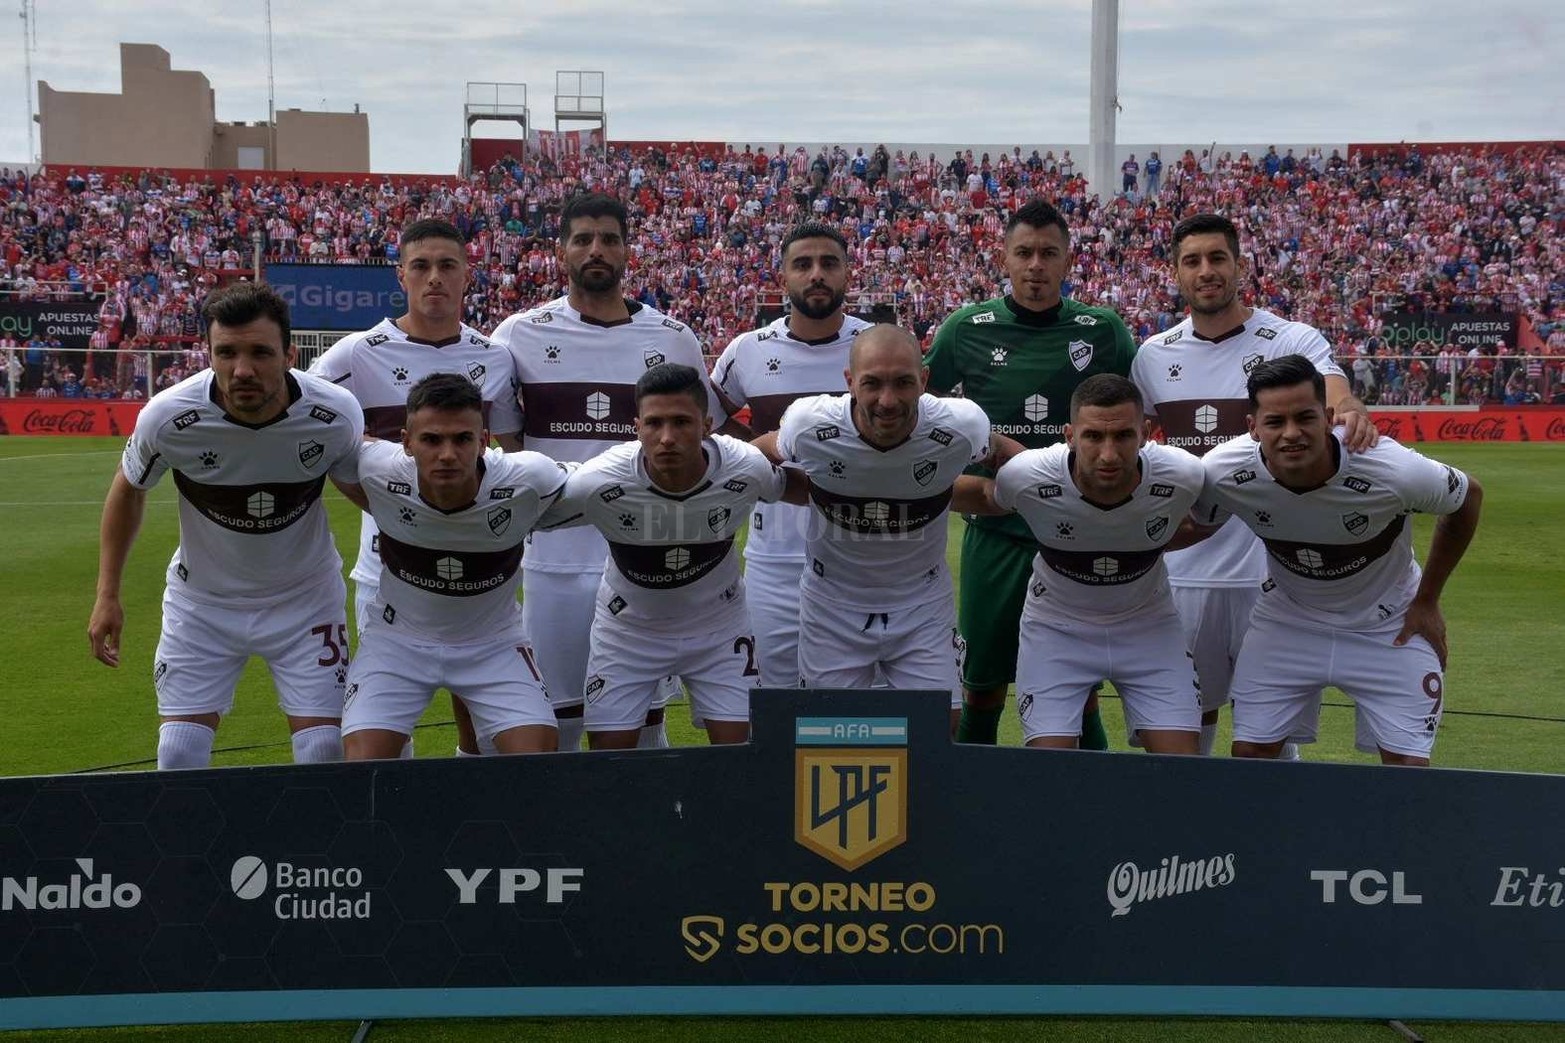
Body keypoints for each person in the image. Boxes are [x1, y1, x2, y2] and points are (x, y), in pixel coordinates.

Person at [87, 282, 364, 769]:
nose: (243, 370)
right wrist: (107, 593)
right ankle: (191, 850)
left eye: (260, 352)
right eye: (227, 352)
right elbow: (128, 489)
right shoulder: (169, 417)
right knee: (177, 754)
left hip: (306, 602)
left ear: (289, 354)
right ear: (208, 353)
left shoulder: (334, 414)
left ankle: (316, 848)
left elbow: (366, 490)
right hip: (203, 606)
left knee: (324, 750)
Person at [1130, 213, 1376, 757]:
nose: (1207, 270)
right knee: (1188, 719)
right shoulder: (1152, 355)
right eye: (1192, 261)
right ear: (1175, 273)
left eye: (1218, 258)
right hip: (1186, 573)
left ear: (1240, 265)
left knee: (1269, 727)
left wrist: (1350, 405)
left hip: (1274, 575)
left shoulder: (1290, 338)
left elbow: (1332, 389)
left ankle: (1267, 839)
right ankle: (1192, 836)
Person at [490, 193, 728, 752]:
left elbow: (702, 436)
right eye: (583, 239)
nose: (596, 249)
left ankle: (642, 839)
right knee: (558, 722)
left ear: (627, 250)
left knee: (642, 723)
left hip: (644, 557)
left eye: (609, 238)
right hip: (554, 562)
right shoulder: (520, 334)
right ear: (561, 251)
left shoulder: (673, 338)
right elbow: (510, 442)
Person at [1191, 355, 1482, 765]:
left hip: (1389, 625)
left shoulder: (1393, 469)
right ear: (1252, 427)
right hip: (1287, 622)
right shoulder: (1221, 470)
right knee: (1251, 756)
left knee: (1409, 769)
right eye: (1275, 422)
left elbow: (1468, 498)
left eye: (1304, 418)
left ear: (1328, 417)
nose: (1292, 434)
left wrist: (1428, 599)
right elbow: (1192, 526)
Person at [924, 199, 1137, 747]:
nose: (1036, 265)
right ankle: (970, 802)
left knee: (1078, 685)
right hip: (996, 532)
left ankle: (1089, 813)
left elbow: (1142, 420)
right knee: (982, 686)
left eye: (1048, 253)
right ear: (1005, 257)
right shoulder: (965, 329)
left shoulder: (1105, 331)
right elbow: (920, 413)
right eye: (1025, 252)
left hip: (1077, 535)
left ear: (1068, 260)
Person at [309, 218, 523, 757]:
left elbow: (512, 458)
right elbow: (314, 438)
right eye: (422, 266)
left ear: (466, 276)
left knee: (478, 712)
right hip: (385, 566)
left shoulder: (494, 359)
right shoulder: (355, 354)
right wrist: (378, 506)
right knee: (386, 721)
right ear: (401, 275)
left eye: (447, 266)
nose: (435, 278)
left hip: (479, 564)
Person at [755, 325, 1019, 733]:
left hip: (922, 604)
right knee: (828, 734)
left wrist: (1055, 494)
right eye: (872, 383)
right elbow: (756, 457)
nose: (888, 400)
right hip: (832, 606)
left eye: (903, 383)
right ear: (849, 383)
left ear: (925, 381)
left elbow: (1008, 460)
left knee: (938, 730)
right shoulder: (809, 423)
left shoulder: (961, 423)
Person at [540, 363, 804, 749]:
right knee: (608, 758)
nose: (667, 437)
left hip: (719, 626)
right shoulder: (597, 482)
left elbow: (793, 488)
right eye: (654, 423)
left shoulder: (744, 468)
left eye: (681, 422)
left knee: (742, 753)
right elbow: (524, 516)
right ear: (637, 427)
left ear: (707, 425)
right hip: (628, 630)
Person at [334, 374, 565, 760]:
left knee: (537, 765)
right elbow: (331, 448)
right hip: (397, 642)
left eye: (462, 439)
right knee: (363, 768)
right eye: (431, 439)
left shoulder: (530, 478)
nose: (446, 454)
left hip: (494, 643)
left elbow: (594, 488)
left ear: (484, 440)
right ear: (406, 441)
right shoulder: (377, 469)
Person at [968, 374, 1203, 753]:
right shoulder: (1027, 475)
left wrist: (1146, 540)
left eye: (1123, 436)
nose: (1108, 455)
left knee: (1180, 765)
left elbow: (1206, 520)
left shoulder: (1184, 474)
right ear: (1069, 435)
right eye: (1093, 436)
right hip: (1056, 628)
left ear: (1146, 432)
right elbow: (985, 498)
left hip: (1148, 625)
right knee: (1051, 767)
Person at [710, 221, 872, 687]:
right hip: (774, 556)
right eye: (803, 264)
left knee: (859, 697)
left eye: (829, 264)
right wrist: (758, 467)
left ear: (847, 274)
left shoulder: (876, 345)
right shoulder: (748, 350)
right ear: (783, 277)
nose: (816, 274)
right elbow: (712, 421)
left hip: (863, 555)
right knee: (775, 699)